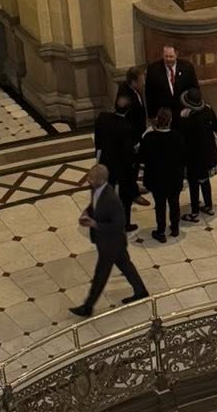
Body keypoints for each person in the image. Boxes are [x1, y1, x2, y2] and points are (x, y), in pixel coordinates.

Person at [71, 163, 149, 316]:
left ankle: (88, 307)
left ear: (100, 180)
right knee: (125, 265)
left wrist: (95, 224)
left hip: (111, 243)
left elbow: (119, 225)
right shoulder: (95, 188)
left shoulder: (111, 199)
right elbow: (94, 204)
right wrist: (87, 212)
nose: (88, 179)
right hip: (110, 242)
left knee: (101, 275)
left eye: (91, 177)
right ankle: (141, 291)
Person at [93, 87, 141, 229]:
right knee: (125, 196)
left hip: (105, 162)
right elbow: (129, 151)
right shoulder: (127, 127)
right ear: (128, 110)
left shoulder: (103, 118)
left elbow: (98, 140)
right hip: (121, 167)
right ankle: (125, 223)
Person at [139, 107, 186, 242]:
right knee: (174, 203)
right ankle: (175, 228)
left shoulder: (149, 138)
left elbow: (142, 158)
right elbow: (183, 157)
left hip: (156, 178)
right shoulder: (177, 137)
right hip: (174, 178)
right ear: (170, 120)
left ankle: (160, 231)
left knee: (160, 205)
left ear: (157, 120)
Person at [179, 87, 217, 224]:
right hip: (209, 155)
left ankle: (194, 213)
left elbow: (183, 139)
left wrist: (182, 119)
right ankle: (209, 206)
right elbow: (216, 127)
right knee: (205, 180)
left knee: (194, 184)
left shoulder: (188, 119)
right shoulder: (208, 110)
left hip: (194, 159)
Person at [143, 43, 198, 118]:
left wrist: (191, 109)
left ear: (176, 55)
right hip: (164, 115)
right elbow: (149, 94)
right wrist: (152, 116)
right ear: (162, 55)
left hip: (184, 113)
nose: (168, 59)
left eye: (171, 56)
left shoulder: (187, 67)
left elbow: (195, 88)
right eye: (166, 56)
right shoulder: (153, 70)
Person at [116, 64, 149, 145]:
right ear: (133, 82)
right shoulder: (125, 94)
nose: (144, 83)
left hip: (140, 131)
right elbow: (121, 114)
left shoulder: (135, 89)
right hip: (132, 136)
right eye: (141, 81)